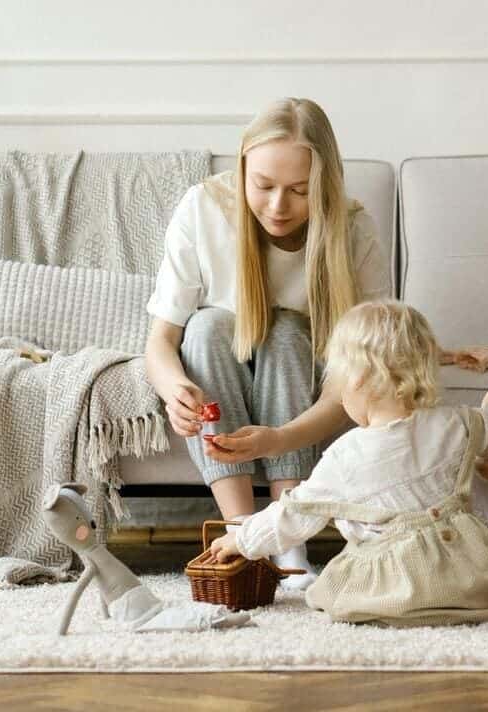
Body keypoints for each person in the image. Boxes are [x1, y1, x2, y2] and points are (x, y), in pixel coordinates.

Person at [144, 98, 389, 588]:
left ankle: (286, 541)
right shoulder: (202, 208)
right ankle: (242, 533)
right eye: (263, 186)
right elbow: (161, 342)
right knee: (208, 326)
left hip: (298, 373)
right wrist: (174, 391)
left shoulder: (353, 228)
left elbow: (356, 377)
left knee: (284, 330)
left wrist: (280, 438)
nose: (278, 207)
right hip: (221, 363)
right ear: (242, 171)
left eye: (299, 191)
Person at [206, 301, 488, 625]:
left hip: (387, 594)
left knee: (334, 586)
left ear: (356, 379)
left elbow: (292, 515)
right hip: (467, 583)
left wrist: (240, 540)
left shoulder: (345, 456)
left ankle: (392, 604)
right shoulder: (458, 424)